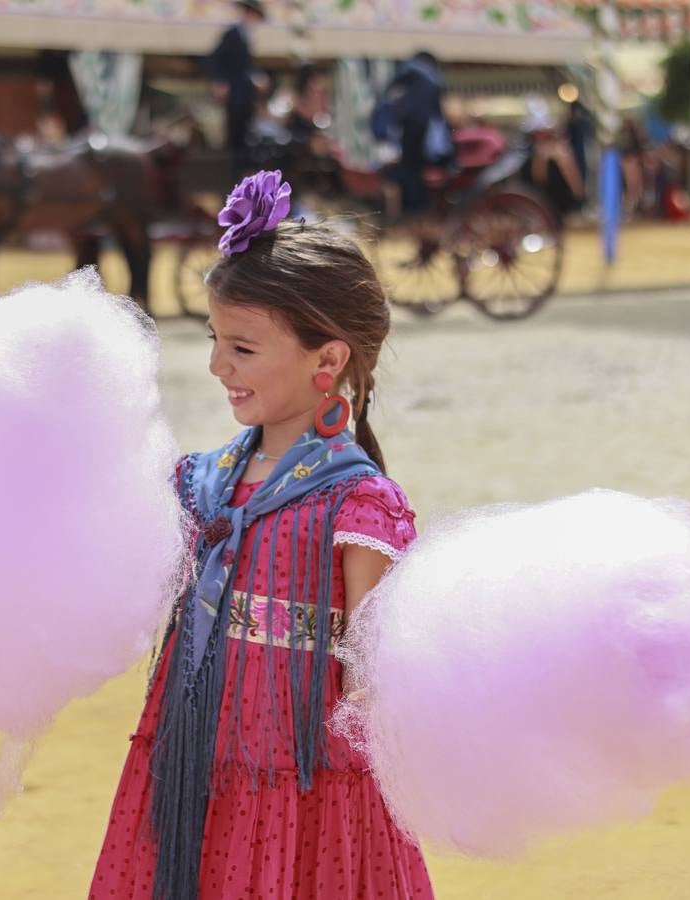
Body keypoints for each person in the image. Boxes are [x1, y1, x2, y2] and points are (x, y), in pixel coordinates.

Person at [89, 171, 433, 900]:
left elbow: (372, 677)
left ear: (328, 360)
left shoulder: (358, 504)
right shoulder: (196, 480)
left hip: (305, 787)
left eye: (242, 349)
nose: (218, 366)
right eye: (215, 340)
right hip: (193, 766)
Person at [374, 51, 451, 216]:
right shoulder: (432, 79)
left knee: (403, 176)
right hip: (419, 137)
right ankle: (415, 215)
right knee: (414, 177)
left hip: (402, 138)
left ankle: (404, 216)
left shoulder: (403, 74)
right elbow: (437, 116)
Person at [206, 0, 268, 181]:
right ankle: (234, 175)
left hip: (244, 95)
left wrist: (257, 77)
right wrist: (219, 81)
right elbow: (214, 60)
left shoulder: (245, 37)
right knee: (236, 135)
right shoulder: (232, 34)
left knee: (245, 134)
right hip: (236, 95)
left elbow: (245, 67)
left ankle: (243, 173)